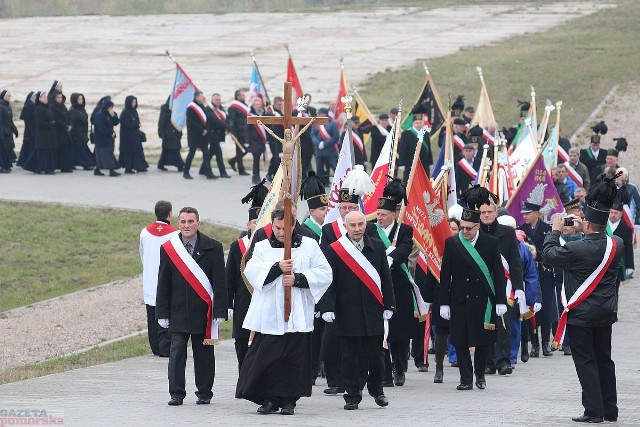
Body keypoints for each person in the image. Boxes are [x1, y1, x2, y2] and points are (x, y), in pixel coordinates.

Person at [542, 175, 623, 424]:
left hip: (581, 314)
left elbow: (549, 255)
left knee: (586, 361)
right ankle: (610, 409)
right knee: (605, 360)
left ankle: (593, 411)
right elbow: (596, 243)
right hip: (605, 313)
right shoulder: (616, 244)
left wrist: (555, 231)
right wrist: (582, 230)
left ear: (587, 223)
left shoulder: (577, 249)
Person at [236, 206, 332, 416]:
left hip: (297, 313)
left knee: (293, 359)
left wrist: (298, 279)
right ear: (272, 225)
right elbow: (251, 271)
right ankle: (269, 398)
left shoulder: (309, 245)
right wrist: (277, 268)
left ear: (293, 225)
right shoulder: (261, 247)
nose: (281, 232)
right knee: (268, 358)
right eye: (277, 227)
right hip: (270, 313)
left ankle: (289, 400)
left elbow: (325, 273)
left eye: (285, 228)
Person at [319, 210, 396, 410]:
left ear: (365, 225)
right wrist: (327, 307)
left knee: (376, 355)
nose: (357, 229)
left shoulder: (377, 247)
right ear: (345, 227)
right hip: (347, 311)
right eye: (352, 225)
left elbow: (386, 279)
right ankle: (352, 394)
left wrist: (389, 305)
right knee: (349, 356)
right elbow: (329, 283)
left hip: (372, 311)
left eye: (360, 224)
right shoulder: (335, 250)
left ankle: (377, 389)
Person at [156, 206, 228, 406]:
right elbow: (163, 282)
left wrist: (220, 310)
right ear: (178, 223)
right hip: (177, 311)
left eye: (190, 221)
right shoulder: (169, 248)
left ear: (198, 223)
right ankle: (176, 393)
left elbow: (219, 282)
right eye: (183, 222)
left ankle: (204, 392)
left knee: (204, 353)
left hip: (204, 313)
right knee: (177, 352)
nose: (186, 225)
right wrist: (161, 312)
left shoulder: (213, 247)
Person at [439, 186, 507, 391]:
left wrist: (501, 301)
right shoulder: (452, 243)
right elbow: (445, 275)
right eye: (462, 228)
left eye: (469, 228)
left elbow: (498, 274)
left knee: (483, 341)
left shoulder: (491, 243)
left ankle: (480, 375)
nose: (465, 232)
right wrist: (443, 302)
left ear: (478, 226)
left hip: (484, 300)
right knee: (460, 340)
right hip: (459, 299)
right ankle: (465, 378)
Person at [373, 178, 419, 386]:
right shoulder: (371, 230)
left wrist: (391, 257)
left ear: (393, 214)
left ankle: (400, 368)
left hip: (398, 284)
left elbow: (406, 248)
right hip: (378, 284)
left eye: (383, 215)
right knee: (381, 330)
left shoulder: (404, 230)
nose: (379, 217)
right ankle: (385, 371)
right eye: (378, 214)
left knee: (399, 332)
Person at [479, 199, 524, 376]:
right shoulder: (475, 232)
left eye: (490, 212)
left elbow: (514, 262)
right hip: (482, 285)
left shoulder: (507, 232)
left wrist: (519, 286)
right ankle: (488, 362)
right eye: (483, 213)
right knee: (485, 324)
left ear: (496, 213)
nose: (487, 215)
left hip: (504, 285)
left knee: (503, 323)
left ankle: (503, 361)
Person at [226, 182, 268, 370]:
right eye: (254, 223)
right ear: (248, 224)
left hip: (265, 299)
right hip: (243, 300)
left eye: (261, 222)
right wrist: (227, 304)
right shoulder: (238, 246)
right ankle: (243, 373)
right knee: (242, 341)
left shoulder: (271, 246)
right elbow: (229, 279)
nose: (257, 226)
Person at [422, 218, 460, 383]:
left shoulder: (463, 248)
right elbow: (431, 274)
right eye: (449, 228)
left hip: (460, 296)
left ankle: (462, 365)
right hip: (441, 295)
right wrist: (428, 297)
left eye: (454, 228)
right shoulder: (437, 252)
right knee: (442, 334)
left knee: (460, 333)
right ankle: (439, 368)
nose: (451, 231)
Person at [517, 201, 557, 357]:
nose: (525, 216)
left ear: (536, 213)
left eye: (528, 213)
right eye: (524, 214)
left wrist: (537, 255)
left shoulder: (547, 230)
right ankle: (534, 344)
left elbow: (552, 252)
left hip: (544, 273)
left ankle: (546, 342)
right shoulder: (521, 230)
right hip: (528, 275)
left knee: (546, 310)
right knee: (530, 309)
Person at [139, 200, 178, 357]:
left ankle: (155, 346)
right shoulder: (175, 234)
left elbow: (142, 254)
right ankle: (165, 347)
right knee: (166, 313)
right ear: (170, 214)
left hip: (149, 279)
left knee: (152, 314)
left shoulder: (144, 232)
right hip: (166, 280)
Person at [183, 91, 214, 180]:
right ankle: (186, 172)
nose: (203, 98)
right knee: (192, 153)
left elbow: (206, 119)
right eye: (201, 96)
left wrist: (207, 129)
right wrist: (201, 130)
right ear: (197, 97)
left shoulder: (201, 106)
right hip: (195, 135)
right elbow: (191, 123)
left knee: (206, 154)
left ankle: (208, 172)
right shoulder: (191, 107)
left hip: (204, 135)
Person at [608, 192, 634, 286]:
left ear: (621, 214)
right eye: (611, 212)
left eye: (616, 213)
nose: (613, 215)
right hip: (603, 263)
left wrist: (629, 266)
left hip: (618, 265)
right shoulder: (602, 226)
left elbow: (628, 248)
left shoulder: (626, 229)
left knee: (615, 290)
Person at [399, 112, 432, 182]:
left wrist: (430, 162)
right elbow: (402, 150)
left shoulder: (426, 134)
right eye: (417, 123)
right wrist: (402, 163)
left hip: (424, 163)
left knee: (424, 182)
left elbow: (429, 150)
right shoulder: (406, 133)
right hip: (410, 163)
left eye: (420, 123)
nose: (419, 125)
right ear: (413, 123)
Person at [119, 95, 148, 174]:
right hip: (127, 137)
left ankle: (140, 167)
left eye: (135, 102)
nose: (134, 104)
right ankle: (128, 168)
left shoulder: (134, 111)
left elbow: (137, 121)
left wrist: (137, 125)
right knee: (129, 153)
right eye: (132, 102)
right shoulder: (125, 112)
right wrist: (135, 125)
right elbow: (125, 123)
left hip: (135, 136)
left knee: (137, 151)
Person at [203, 93, 230, 178]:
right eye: (216, 100)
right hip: (212, 134)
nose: (218, 101)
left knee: (211, 152)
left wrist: (229, 125)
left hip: (219, 134)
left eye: (219, 99)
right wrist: (226, 126)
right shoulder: (208, 109)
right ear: (212, 100)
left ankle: (202, 169)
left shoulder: (221, 108)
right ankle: (223, 172)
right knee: (218, 153)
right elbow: (215, 120)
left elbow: (225, 117)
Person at [93, 98, 121, 177]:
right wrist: (110, 133)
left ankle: (97, 169)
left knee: (105, 155)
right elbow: (100, 128)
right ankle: (111, 170)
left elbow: (116, 122)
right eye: (110, 107)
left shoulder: (109, 114)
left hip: (108, 138)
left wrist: (113, 116)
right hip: (101, 139)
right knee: (106, 155)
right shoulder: (99, 115)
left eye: (112, 107)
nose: (111, 109)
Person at [311, 107, 339, 185]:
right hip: (319, 151)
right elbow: (313, 135)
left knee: (335, 168)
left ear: (325, 114)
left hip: (330, 150)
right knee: (319, 169)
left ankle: (339, 183)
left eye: (321, 114)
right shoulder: (315, 123)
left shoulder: (332, 123)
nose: (319, 115)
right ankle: (320, 184)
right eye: (318, 114)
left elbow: (335, 137)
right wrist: (318, 143)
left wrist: (325, 144)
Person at [68, 93, 95, 170]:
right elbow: (72, 123)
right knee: (81, 149)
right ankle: (86, 164)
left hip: (83, 132)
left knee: (80, 149)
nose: (81, 101)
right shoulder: (73, 111)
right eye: (79, 99)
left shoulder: (81, 109)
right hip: (77, 134)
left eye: (81, 99)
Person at [157, 96, 184, 172]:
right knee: (174, 149)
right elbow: (161, 122)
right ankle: (180, 165)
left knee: (167, 150)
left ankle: (161, 164)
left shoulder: (177, 110)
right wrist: (161, 132)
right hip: (168, 133)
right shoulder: (165, 109)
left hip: (176, 132)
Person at [227, 89, 250, 176]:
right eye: (242, 95)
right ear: (237, 96)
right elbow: (231, 120)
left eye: (244, 95)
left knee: (247, 149)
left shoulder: (246, 105)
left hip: (246, 131)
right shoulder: (233, 107)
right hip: (238, 132)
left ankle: (232, 161)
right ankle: (241, 169)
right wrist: (233, 133)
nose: (244, 97)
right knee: (240, 150)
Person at [246, 97, 267, 185]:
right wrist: (247, 141)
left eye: (260, 104)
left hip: (261, 141)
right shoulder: (250, 114)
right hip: (254, 141)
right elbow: (246, 129)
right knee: (256, 159)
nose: (259, 106)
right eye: (257, 104)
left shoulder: (263, 113)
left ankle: (256, 176)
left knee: (257, 159)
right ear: (253, 105)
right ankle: (255, 176)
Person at [265, 96, 284, 181]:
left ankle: (270, 173)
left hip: (280, 138)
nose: (280, 106)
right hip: (273, 139)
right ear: (275, 103)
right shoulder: (270, 112)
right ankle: (274, 175)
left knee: (276, 157)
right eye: (279, 104)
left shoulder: (279, 112)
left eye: (281, 104)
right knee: (276, 157)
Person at [16, 91, 36, 168]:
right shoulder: (27, 106)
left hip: (32, 128)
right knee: (27, 146)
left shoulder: (33, 106)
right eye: (33, 97)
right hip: (29, 130)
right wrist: (31, 130)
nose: (35, 99)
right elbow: (27, 121)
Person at [0, 90, 19, 163]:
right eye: (8, 96)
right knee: (5, 147)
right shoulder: (1, 107)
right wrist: (4, 131)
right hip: (4, 132)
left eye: (10, 96)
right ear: (3, 97)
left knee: (9, 146)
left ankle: (10, 159)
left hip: (8, 131)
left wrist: (15, 130)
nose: (9, 98)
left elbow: (10, 121)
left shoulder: (8, 106)